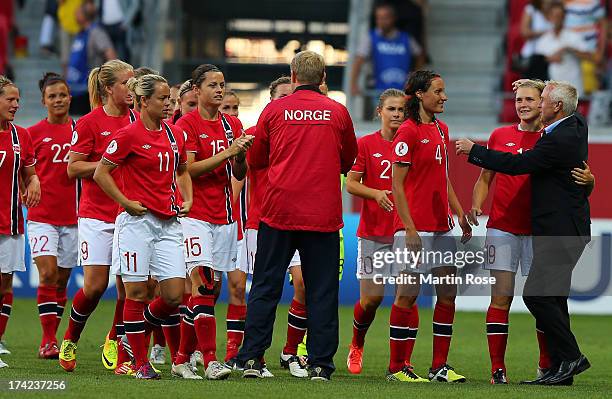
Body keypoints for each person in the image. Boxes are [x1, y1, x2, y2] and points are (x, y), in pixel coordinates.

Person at [456, 80, 592, 386]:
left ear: (553, 106)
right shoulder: (573, 124)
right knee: (546, 298)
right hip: (511, 226)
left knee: (539, 296)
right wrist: (477, 205)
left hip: (549, 230)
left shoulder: (552, 138)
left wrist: (474, 150)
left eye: (535, 98)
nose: (525, 104)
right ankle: (542, 368)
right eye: (520, 98)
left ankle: (561, 361)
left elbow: (519, 165)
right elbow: (488, 178)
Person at [237, 51, 357, 381]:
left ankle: (251, 359)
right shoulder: (338, 112)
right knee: (322, 290)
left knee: (264, 287)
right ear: (322, 78)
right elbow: (348, 160)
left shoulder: (274, 110)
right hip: (322, 215)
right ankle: (320, 364)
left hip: (278, 212)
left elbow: (257, 159)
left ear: (292, 76)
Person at [93, 73, 193, 380]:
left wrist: (188, 198)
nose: (168, 104)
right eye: (163, 99)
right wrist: (125, 202)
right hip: (137, 223)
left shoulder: (175, 134)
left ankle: (131, 334)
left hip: (170, 223)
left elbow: (183, 171)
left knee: (176, 294)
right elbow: (100, 173)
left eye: (169, 99)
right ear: (144, 101)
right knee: (136, 292)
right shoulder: (127, 135)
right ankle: (140, 363)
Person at [172, 64, 253, 380]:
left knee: (208, 291)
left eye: (222, 85)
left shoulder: (233, 124)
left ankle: (181, 358)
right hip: (195, 215)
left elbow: (239, 173)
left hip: (225, 215)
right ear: (196, 90)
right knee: (204, 284)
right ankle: (210, 360)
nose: (219, 90)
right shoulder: (187, 125)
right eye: (213, 85)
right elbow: (188, 170)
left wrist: (241, 155)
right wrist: (230, 151)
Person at [391, 70, 472, 383]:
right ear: (420, 94)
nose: (444, 97)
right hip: (415, 229)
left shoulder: (441, 128)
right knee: (407, 295)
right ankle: (397, 367)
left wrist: (460, 213)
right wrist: (409, 228)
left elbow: (443, 177)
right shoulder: (407, 132)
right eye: (438, 91)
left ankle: (439, 366)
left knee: (448, 295)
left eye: (444, 91)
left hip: (442, 228)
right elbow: (397, 186)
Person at [225, 76, 308, 378]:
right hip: (263, 222)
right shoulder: (253, 135)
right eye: (282, 96)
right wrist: (230, 216)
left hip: (300, 220)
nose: (288, 100)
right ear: (272, 100)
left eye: (291, 95)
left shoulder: (305, 135)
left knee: (304, 284)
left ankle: (291, 352)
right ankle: (248, 354)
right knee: (262, 289)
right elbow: (237, 179)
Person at [346, 88, 430, 383]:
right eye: (392, 109)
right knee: (371, 299)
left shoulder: (414, 142)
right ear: (379, 112)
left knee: (407, 296)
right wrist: (375, 193)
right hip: (374, 233)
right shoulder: (366, 144)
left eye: (401, 110)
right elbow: (351, 184)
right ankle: (357, 343)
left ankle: (403, 362)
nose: (397, 115)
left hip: (406, 232)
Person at [59, 59, 137, 374]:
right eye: (125, 84)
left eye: (134, 84)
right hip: (96, 214)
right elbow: (72, 167)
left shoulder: (138, 120)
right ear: (108, 88)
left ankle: (115, 340)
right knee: (94, 286)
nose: (131, 90)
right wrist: (109, 163)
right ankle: (70, 337)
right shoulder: (90, 122)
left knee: (127, 287)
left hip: (129, 213)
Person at [27, 73, 77, 360]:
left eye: (62, 94)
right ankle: (48, 340)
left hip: (74, 217)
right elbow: (22, 170)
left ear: (70, 97)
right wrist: (25, 187)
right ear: (44, 101)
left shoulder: (80, 131)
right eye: (52, 96)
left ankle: (53, 338)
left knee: (61, 281)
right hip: (42, 215)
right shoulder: (32, 134)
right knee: (47, 273)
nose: (58, 100)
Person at [0, 76, 41, 368]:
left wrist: (34, 181)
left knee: (4, 284)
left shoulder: (20, 136)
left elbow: (29, 171)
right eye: (10, 99)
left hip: (11, 222)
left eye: (17, 99)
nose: (16, 104)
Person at [351, 2, 424, 96]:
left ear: (393, 18)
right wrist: (353, 84)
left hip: (403, 92)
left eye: (385, 18)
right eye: (379, 18)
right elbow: (358, 60)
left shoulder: (406, 38)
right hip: (378, 91)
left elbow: (420, 55)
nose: (381, 22)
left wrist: (414, 80)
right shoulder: (371, 37)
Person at [534, 2, 593, 96]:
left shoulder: (574, 36)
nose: (557, 19)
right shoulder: (543, 40)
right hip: (553, 93)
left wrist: (568, 49)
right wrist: (550, 58)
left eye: (560, 16)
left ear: (564, 17)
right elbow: (537, 63)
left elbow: (590, 57)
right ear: (549, 17)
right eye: (554, 16)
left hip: (574, 90)